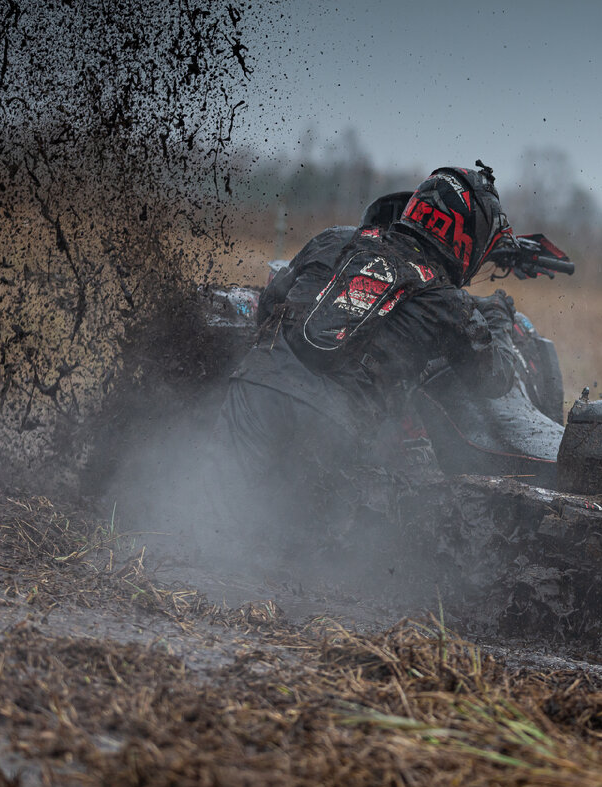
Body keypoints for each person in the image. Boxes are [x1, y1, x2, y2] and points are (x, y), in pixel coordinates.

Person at [206, 164, 521, 552]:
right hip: (331, 424)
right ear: (467, 236)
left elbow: (271, 303)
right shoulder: (451, 303)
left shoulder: (335, 239)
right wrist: (499, 319)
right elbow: (495, 378)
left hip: (255, 386)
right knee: (297, 555)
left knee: (209, 527)